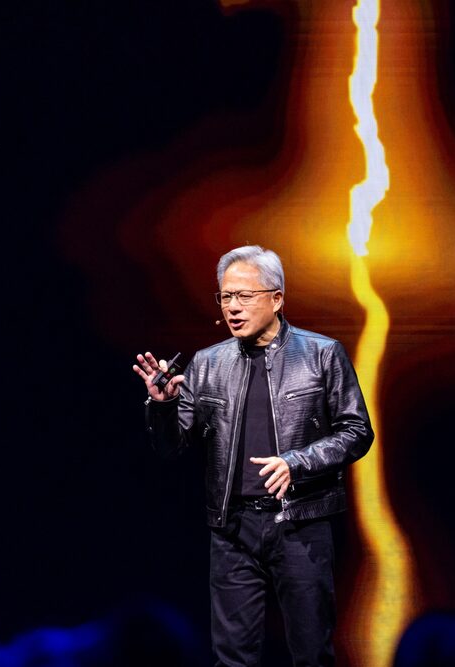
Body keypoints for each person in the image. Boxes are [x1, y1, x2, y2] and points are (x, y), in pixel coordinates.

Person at [132, 245, 373, 667]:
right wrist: (164, 406)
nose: (232, 307)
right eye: (225, 297)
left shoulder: (321, 355)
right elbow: (170, 447)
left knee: (312, 655)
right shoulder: (207, 364)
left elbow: (357, 432)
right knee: (231, 659)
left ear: (277, 298)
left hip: (300, 524)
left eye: (244, 296)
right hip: (232, 531)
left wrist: (297, 463)